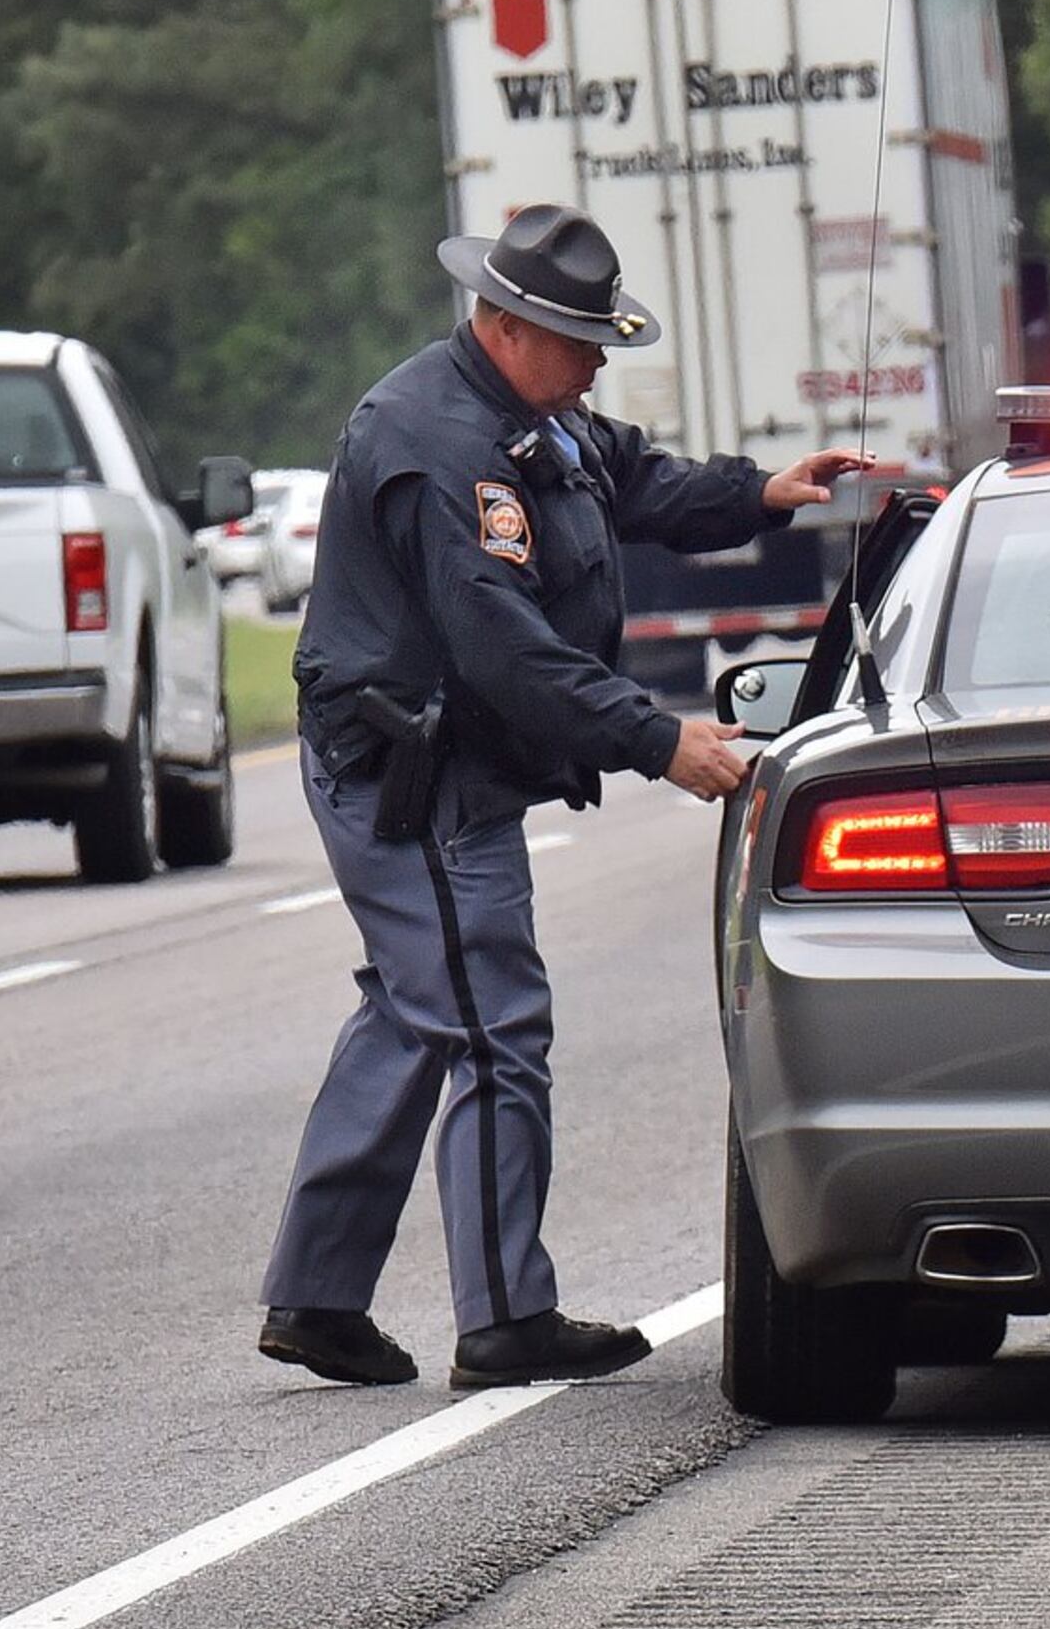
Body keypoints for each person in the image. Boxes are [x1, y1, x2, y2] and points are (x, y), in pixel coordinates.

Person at [257, 202, 884, 1389]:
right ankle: (503, 1322)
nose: (597, 359)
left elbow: (629, 479)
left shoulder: (532, 416)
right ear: (506, 326)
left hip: (448, 765)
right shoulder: (436, 444)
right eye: (580, 337)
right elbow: (502, 646)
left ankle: (318, 1294)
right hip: (411, 777)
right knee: (495, 1025)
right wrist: (661, 741)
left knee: (417, 1010)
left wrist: (764, 492)